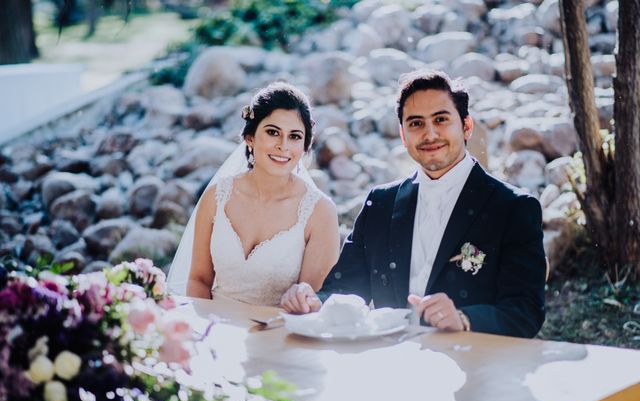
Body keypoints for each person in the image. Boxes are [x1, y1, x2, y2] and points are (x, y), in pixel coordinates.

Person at [281, 70, 546, 338]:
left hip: (472, 365)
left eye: (441, 120)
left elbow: (525, 312)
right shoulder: (381, 203)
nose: (430, 134)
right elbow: (345, 289)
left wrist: (465, 318)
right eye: (416, 123)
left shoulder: (513, 208)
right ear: (403, 134)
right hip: (392, 361)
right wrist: (314, 302)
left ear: (466, 126)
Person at [168, 82, 340, 306]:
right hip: (213, 327)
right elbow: (199, 280)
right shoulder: (217, 197)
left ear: (305, 145)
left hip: (280, 333)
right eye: (272, 132)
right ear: (250, 137)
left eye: (295, 136)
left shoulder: (320, 212)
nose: (283, 145)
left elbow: (312, 301)